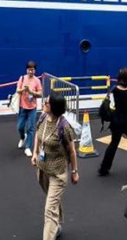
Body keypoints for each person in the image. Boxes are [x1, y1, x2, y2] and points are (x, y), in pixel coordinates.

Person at [31, 93, 79, 240]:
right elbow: (38, 135)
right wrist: (35, 153)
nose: (44, 103)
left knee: (49, 209)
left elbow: (72, 151)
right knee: (52, 201)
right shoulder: (43, 117)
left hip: (58, 174)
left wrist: (74, 171)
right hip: (42, 170)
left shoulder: (64, 127)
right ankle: (56, 226)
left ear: (54, 107)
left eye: (47, 102)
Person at [98, 68, 127, 178]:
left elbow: (122, 91)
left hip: (116, 121)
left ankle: (104, 168)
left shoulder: (115, 89)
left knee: (113, 144)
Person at [16, 61, 42, 158]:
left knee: (31, 128)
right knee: (20, 127)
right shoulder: (22, 78)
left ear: (35, 70)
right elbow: (17, 90)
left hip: (32, 108)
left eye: (32, 70)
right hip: (22, 107)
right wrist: (24, 90)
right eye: (29, 69)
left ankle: (28, 147)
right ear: (26, 70)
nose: (31, 71)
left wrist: (31, 92)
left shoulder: (37, 81)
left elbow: (40, 94)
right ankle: (22, 137)